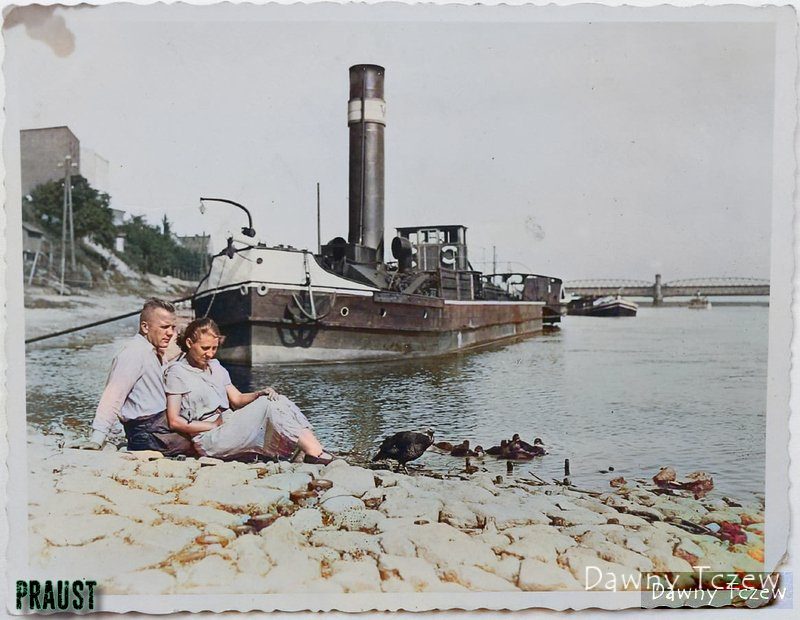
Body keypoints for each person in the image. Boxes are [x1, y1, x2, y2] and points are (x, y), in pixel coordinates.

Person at [163, 317, 334, 463]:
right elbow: (174, 421)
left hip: (229, 424)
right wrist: (213, 424)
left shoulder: (215, 366)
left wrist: (259, 393)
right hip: (209, 437)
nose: (210, 354)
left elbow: (237, 399)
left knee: (276, 399)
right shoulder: (177, 372)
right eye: (205, 348)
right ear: (189, 343)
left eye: (214, 348)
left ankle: (315, 450)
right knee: (267, 405)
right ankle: (315, 453)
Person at [73, 298, 194, 455]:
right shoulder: (133, 353)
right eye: (164, 327)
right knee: (201, 442)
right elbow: (113, 395)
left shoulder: (152, 350)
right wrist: (97, 438)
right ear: (145, 327)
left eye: (172, 327)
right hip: (148, 432)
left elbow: (171, 355)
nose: (170, 333)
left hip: (158, 425)